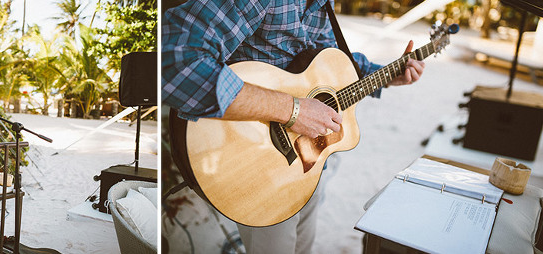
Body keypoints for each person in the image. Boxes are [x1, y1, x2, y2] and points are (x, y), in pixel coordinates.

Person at [162, 0, 425, 253]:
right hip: (255, 157)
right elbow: (175, 62)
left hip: (306, 160)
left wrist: (389, 75)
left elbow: (327, 62)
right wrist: (293, 110)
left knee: (302, 247)